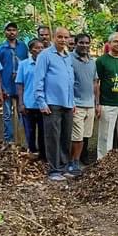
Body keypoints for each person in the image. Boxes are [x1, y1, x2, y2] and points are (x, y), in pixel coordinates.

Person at [35, 27, 75, 181]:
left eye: (65, 37)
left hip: (67, 103)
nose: (63, 40)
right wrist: (41, 101)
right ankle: (54, 170)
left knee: (66, 136)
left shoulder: (68, 56)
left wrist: (72, 102)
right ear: (53, 37)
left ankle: (64, 167)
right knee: (53, 136)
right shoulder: (45, 55)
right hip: (51, 102)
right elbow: (39, 79)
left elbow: (70, 81)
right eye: (60, 37)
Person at [68, 33, 98, 174]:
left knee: (85, 136)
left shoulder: (92, 61)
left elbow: (95, 82)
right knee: (77, 136)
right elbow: (67, 82)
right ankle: (73, 162)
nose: (85, 45)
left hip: (90, 104)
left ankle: (77, 160)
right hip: (77, 104)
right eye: (81, 43)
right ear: (75, 43)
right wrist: (70, 101)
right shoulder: (69, 59)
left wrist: (97, 103)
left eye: (87, 43)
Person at [0, 22, 27, 143]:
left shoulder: (23, 47)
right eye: (9, 30)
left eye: (14, 30)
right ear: (5, 32)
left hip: (20, 86)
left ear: (17, 32)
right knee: (7, 115)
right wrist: (0, 89)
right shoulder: (0, 48)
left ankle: (23, 140)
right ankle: (9, 141)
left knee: (22, 113)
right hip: (6, 86)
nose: (11, 32)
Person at [16, 39, 46, 159]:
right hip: (28, 103)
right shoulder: (24, 64)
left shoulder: (46, 63)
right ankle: (32, 152)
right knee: (30, 131)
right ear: (30, 50)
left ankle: (43, 155)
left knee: (43, 132)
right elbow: (19, 84)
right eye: (36, 48)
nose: (39, 50)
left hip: (43, 104)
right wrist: (21, 103)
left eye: (41, 48)